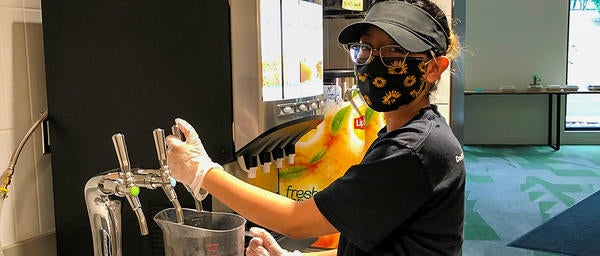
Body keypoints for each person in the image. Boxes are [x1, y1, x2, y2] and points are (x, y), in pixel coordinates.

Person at [166, 0, 465, 255]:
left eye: (393, 53)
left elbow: (296, 220)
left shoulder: (412, 150)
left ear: (433, 68)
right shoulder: (414, 133)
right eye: (365, 49)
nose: (373, 63)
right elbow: (383, 238)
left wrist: (201, 171)